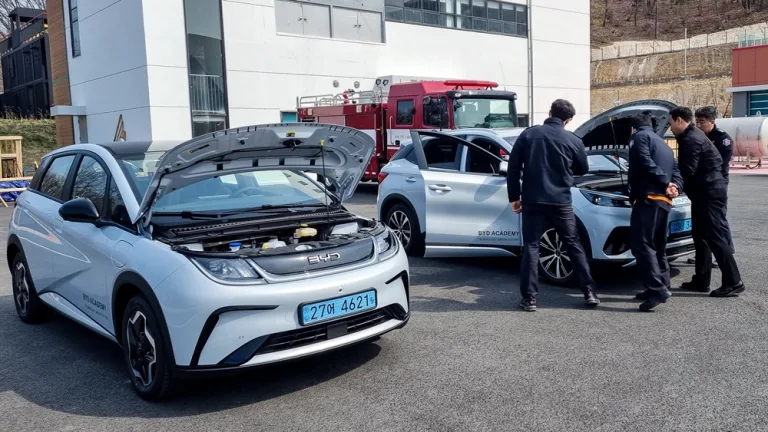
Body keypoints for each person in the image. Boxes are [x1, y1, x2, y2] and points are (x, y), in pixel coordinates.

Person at [507, 99, 600, 312]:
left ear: (549, 112)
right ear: (568, 120)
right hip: (561, 201)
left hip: (532, 200)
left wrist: (514, 196)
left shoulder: (528, 135)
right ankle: (589, 292)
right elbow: (583, 169)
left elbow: (513, 168)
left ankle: (530, 299)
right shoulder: (573, 140)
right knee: (573, 244)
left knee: (531, 246)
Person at [670, 106, 745, 297]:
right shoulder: (692, 135)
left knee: (714, 235)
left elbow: (687, 170)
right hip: (704, 191)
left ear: (679, 121)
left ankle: (734, 281)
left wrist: (671, 184)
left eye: (671, 123)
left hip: (709, 192)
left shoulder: (691, 138)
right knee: (700, 235)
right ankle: (701, 280)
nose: (670, 128)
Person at [626, 114, 684, 312]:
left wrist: (665, 182)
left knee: (642, 245)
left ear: (633, 128)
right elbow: (676, 171)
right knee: (658, 245)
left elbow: (643, 161)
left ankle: (656, 289)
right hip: (664, 201)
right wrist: (675, 186)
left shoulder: (638, 137)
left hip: (648, 199)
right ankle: (662, 284)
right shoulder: (663, 143)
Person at [692, 106, 735, 260]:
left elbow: (720, 165)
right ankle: (706, 255)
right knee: (705, 221)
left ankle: (727, 253)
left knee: (719, 218)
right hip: (704, 183)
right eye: (696, 121)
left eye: (701, 122)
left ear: (712, 121)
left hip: (717, 183)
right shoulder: (698, 136)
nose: (698, 125)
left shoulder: (723, 139)